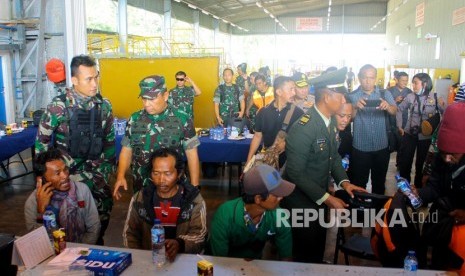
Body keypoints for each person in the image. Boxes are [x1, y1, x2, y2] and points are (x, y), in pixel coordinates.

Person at [281, 67, 367, 263]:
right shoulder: (305, 127)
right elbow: (294, 172)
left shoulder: (327, 123)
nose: (344, 101)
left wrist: (344, 182)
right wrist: (327, 198)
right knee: (304, 253)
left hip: (318, 198)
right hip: (300, 203)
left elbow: (333, 157)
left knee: (317, 247)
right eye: (341, 96)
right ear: (327, 97)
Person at [35, 55, 114, 245]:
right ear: (75, 80)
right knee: (66, 227)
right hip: (68, 180)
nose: (94, 83)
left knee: (98, 226)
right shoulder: (58, 107)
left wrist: (108, 173)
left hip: (98, 179)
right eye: (89, 79)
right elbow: (42, 144)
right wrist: (43, 179)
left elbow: (109, 142)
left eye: (96, 77)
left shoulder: (105, 105)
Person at [113, 75, 200, 200]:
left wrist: (194, 186)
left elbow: (192, 155)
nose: (147, 104)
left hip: (172, 189)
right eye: (144, 99)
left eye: (152, 99)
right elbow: (127, 150)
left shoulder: (182, 119)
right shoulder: (135, 119)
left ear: (165, 96)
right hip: (141, 187)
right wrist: (120, 176)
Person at [123, 148, 206, 261]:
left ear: (179, 174)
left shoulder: (193, 199)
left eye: (168, 173)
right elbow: (130, 234)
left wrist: (180, 244)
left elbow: (200, 235)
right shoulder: (140, 198)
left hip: (183, 262)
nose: (161, 179)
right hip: (149, 262)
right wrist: (141, 260)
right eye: (156, 173)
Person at [416, 101, 465, 273]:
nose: (447, 159)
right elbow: (435, 188)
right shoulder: (441, 157)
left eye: (453, 154)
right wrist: (418, 194)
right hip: (442, 219)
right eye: (444, 153)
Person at [208, 164, 294, 260]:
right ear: (258, 199)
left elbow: (286, 258)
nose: (281, 197)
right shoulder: (225, 215)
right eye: (276, 194)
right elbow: (219, 261)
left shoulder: (280, 216)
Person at [25, 148, 100, 244]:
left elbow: (94, 226)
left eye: (65, 169)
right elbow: (38, 241)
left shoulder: (82, 190)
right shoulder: (32, 203)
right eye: (57, 173)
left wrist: (80, 250)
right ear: (41, 179)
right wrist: (41, 212)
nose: (65, 176)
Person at [347, 64, 397, 195]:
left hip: (382, 146)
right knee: (359, 184)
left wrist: (387, 106)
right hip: (360, 148)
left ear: (376, 78)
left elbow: (394, 111)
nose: (368, 81)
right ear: (359, 78)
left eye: (371, 78)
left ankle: (378, 213)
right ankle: (359, 213)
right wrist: (355, 107)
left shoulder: (385, 93)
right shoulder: (351, 96)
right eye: (364, 78)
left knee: (379, 183)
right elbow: (347, 120)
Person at [396, 73, 444, 188]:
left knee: (421, 164)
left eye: (415, 83)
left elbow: (445, 115)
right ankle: (405, 189)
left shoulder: (436, 98)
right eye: (412, 83)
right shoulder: (410, 97)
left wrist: (439, 132)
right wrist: (400, 126)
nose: (413, 85)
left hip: (425, 137)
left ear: (425, 83)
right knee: (405, 162)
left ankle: (419, 189)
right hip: (409, 134)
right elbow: (399, 109)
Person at [246, 76, 303, 168]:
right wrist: (248, 162)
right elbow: (257, 137)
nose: (294, 93)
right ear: (279, 92)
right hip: (269, 163)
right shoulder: (263, 112)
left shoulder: (298, 113)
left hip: (290, 164)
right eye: (291, 90)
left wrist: (286, 143)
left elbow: (303, 139)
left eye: (294, 89)